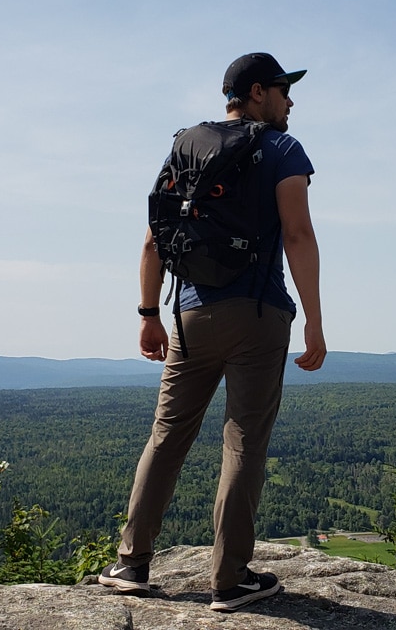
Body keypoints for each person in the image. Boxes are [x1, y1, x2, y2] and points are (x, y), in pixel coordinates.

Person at [99, 52, 327, 612]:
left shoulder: (187, 146)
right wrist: (316, 322)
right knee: (244, 441)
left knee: (167, 435)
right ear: (255, 93)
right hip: (257, 313)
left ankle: (131, 564)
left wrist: (148, 314)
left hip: (189, 315)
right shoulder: (282, 150)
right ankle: (230, 580)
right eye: (282, 90)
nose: (290, 100)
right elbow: (297, 233)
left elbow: (154, 238)